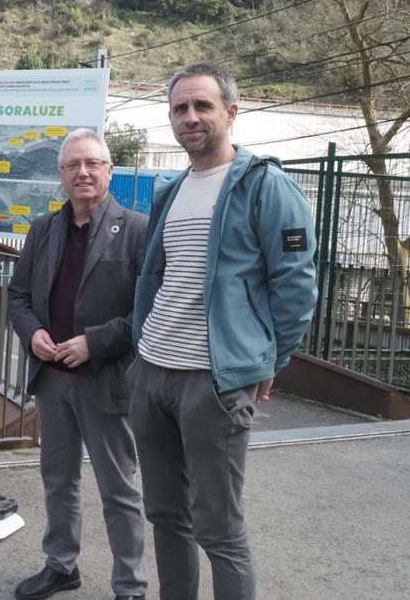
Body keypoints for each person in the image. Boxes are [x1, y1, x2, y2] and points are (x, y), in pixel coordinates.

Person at [131, 63, 317, 599]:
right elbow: (158, 277)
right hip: (153, 372)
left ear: (231, 113)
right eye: (180, 108)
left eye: (202, 106)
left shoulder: (267, 186)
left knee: (219, 527)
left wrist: (264, 362)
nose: (190, 117)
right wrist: (140, 357)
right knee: (166, 515)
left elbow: (297, 286)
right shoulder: (170, 191)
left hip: (213, 382)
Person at [7, 128, 148, 600]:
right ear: (61, 175)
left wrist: (95, 342)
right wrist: (34, 334)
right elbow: (19, 297)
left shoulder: (137, 230)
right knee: (58, 480)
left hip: (105, 381)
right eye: (72, 166)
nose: (83, 172)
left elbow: (149, 311)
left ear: (109, 170)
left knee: (118, 489)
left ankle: (130, 585)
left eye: (92, 163)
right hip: (52, 381)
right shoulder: (44, 229)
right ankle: (61, 565)